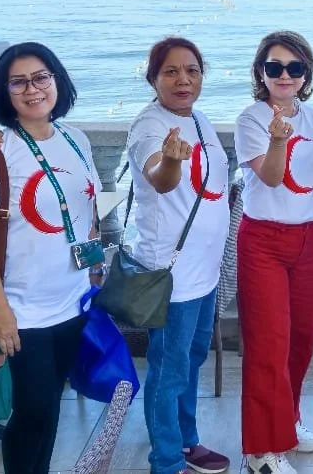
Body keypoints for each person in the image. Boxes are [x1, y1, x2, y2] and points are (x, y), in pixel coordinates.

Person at [0, 42, 100, 474]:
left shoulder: (76, 140)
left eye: (41, 77)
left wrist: (93, 270)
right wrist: (0, 312)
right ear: (5, 93)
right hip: (23, 313)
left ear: (57, 79)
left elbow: (85, 212)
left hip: (73, 300)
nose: (32, 88)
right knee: (32, 414)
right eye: (18, 81)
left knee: (49, 410)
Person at [127, 37, 232, 474]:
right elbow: (160, 178)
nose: (183, 80)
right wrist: (171, 161)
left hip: (204, 272)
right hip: (172, 277)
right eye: (171, 71)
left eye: (192, 70)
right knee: (168, 371)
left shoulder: (200, 119)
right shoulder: (150, 127)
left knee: (190, 360)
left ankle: (187, 441)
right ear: (153, 78)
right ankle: (166, 461)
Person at [234, 31, 313, 474]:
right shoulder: (251, 120)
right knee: (267, 345)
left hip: (309, 238)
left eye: (295, 68)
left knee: (301, 340)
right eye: (275, 67)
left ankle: (288, 422)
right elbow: (272, 178)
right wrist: (278, 140)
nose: (285, 75)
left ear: (306, 73)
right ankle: (261, 449)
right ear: (261, 72)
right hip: (265, 243)